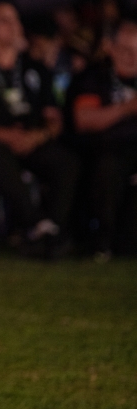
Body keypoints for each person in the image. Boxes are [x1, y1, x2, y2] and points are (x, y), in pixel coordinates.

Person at [0, 2, 79, 254]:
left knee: (67, 162)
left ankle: (51, 228)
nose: (14, 26)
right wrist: (5, 136)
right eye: (4, 20)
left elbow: (54, 118)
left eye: (16, 19)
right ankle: (36, 224)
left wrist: (37, 136)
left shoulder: (35, 68)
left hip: (32, 141)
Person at [70, 19, 137, 259]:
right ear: (111, 48)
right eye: (127, 50)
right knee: (108, 168)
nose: (133, 58)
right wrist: (127, 108)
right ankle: (102, 240)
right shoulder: (95, 78)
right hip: (107, 150)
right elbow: (85, 120)